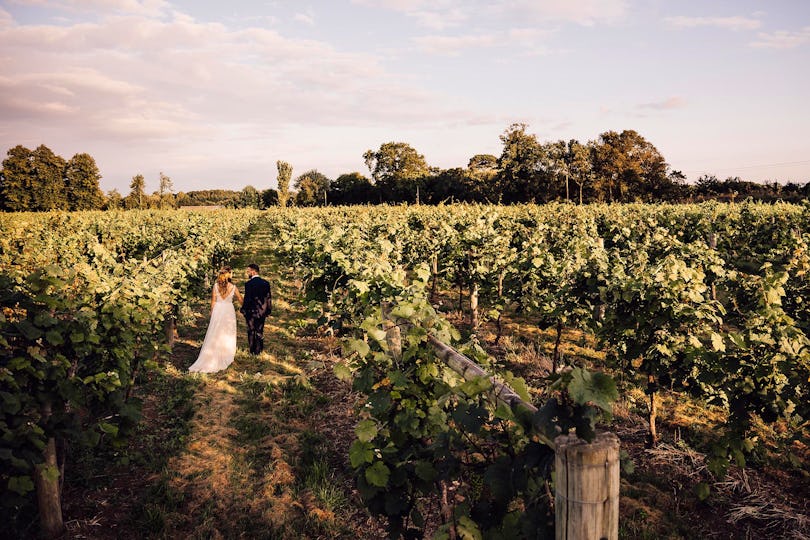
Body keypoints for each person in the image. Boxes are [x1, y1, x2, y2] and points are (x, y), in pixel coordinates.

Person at [189, 266, 243, 373]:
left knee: (215, 332)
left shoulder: (215, 286)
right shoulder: (233, 287)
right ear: (228, 274)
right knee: (228, 332)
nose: (232, 275)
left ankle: (211, 353)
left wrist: (212, 313)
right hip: (228, 311)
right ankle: (226, 355)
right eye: (231, 273)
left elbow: (213, 301)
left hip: (218, 310)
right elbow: (241, 300)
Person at [240, 263, 272, 355]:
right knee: (260, 329)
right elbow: (268, 298)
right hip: (262, 310)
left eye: (248, 271)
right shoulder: (266, 283)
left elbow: (247, 298)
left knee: (251, 330)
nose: (247, 273)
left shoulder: (249, 284)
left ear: (253, 272)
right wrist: (268, 310)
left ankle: (252, 350)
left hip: (251, 311)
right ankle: (259, 350)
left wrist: (243, 309)